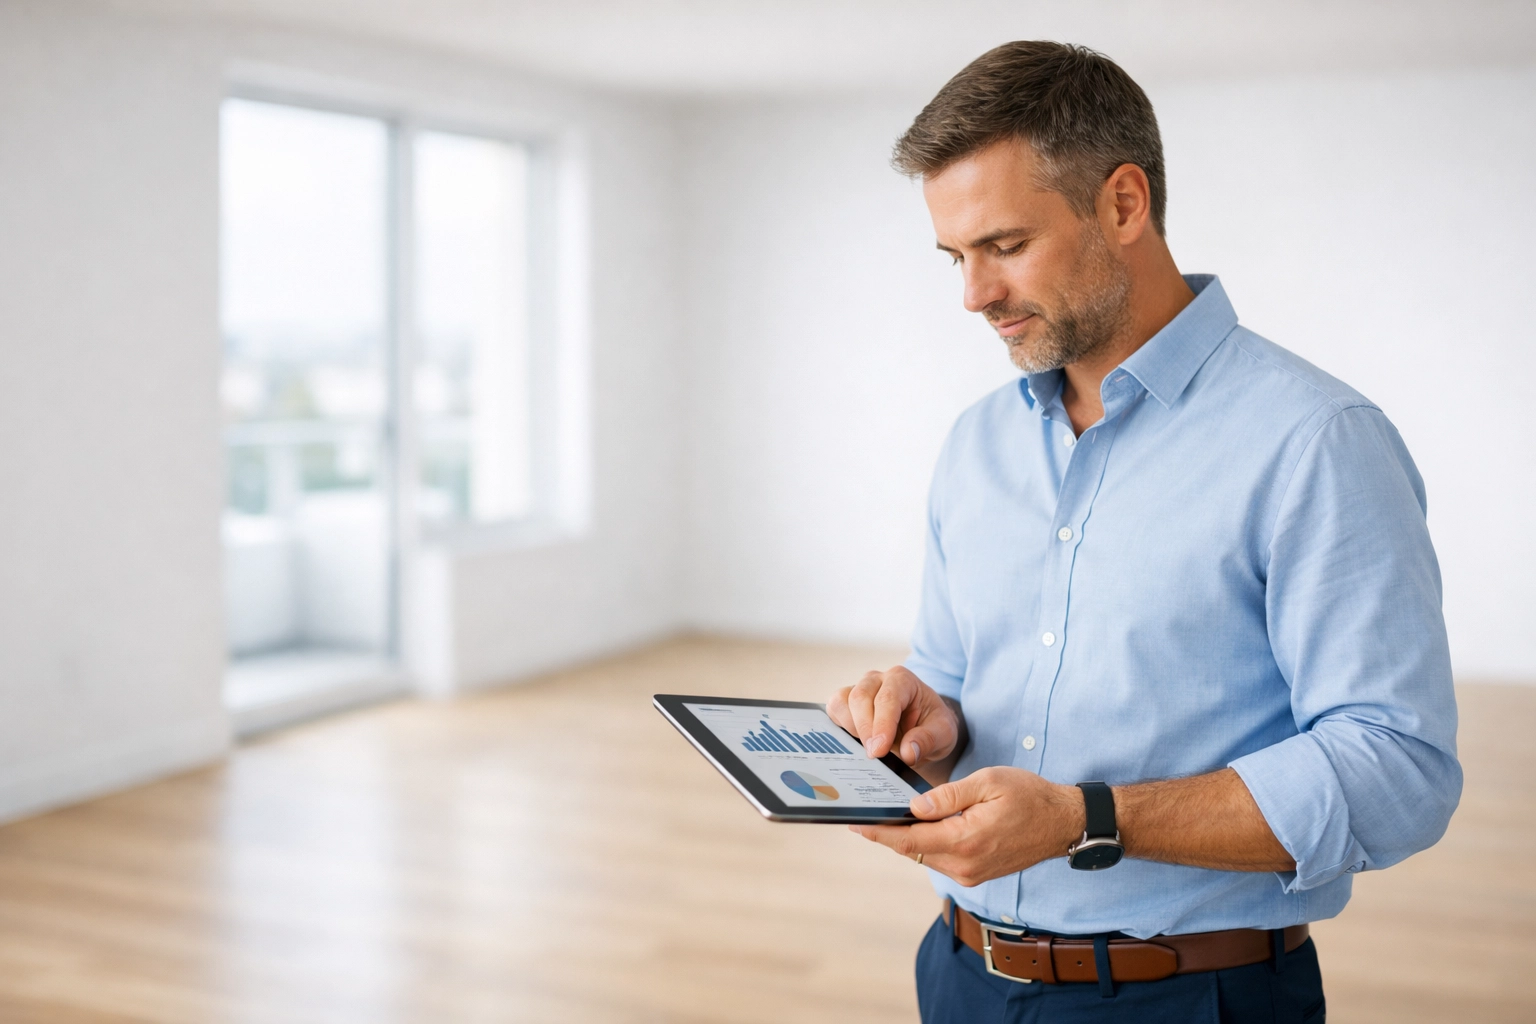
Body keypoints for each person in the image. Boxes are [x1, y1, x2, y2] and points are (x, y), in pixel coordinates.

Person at [825, 40, 1461, 1023]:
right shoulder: (975, 444)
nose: (972, 294)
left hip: (1188, 997)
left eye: (1004, 245)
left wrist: (1090, 819)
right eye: (957, 256)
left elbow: (1397, 770)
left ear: (1124, 204)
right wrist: (928, 715)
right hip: (956, 973)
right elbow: (952, 677)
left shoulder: (1317, 441)